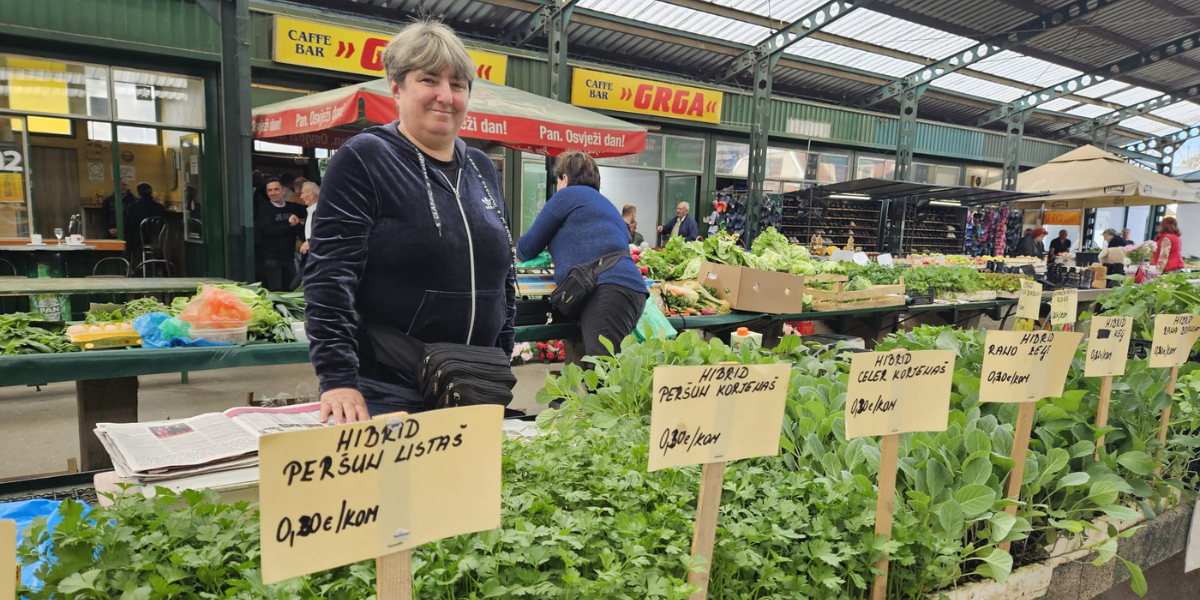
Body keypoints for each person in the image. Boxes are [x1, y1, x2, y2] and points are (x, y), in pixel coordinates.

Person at [304, 18, 515, 424]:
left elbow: (503, 271)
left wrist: (502, 355)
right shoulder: (365, 158)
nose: (445, 96)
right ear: (396, 87)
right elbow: (329, 277)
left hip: (476, 384)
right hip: (390, 388)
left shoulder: (481, 167)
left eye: (458, 84)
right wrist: (337, 378)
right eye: (429, 80)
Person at [516, 151, 647, 361]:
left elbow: (526, 249)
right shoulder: (607, 205)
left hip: (606, 292)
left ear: (565, 178)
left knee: (603, 377)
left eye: (558, 180)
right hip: (631, 290)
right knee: (604, 371)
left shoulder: (567, 195)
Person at [255, 177, 306, 292]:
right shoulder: (265, 209)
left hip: (289, 256)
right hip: (272, 258)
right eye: (270, 190)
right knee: (276, 289)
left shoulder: (292, 207)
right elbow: (270, 230)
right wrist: (291, 225)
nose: (273, 193)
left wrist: (298, 224)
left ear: (283, 191)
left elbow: (312, 209)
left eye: (276, 189)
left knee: (292, 288)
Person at [123, 182, 167, 263]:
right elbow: (162, 224)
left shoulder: (135, 206)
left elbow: (128, 225)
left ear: (139, 193)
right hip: (156, 239)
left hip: (138, 239)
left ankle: (129, 266)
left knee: (125, 238)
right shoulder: (159, 206)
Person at [292, 181, 320, 290]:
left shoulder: (321, 211)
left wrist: (310, 242)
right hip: (307, 256)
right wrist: (296, 225)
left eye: (303, 193)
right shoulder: (308, 211)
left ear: (311, 194)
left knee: (296, 286)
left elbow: (324, 233)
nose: (301, 196)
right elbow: (305, 235)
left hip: (317, 256)